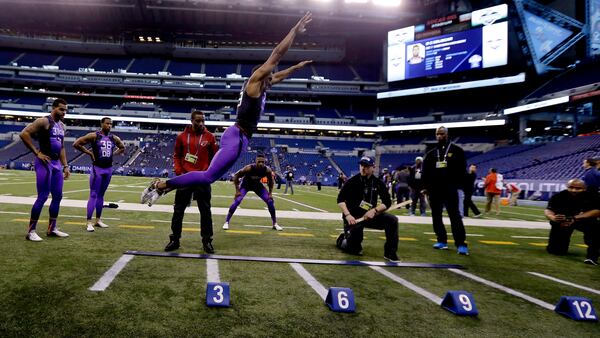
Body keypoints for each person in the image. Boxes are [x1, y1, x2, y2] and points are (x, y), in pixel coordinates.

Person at [141, 12, 313, 205]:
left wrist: (296, 68)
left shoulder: (262, 85)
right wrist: (294, 31)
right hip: (237, 137)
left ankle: (165, 187)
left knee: (209, 177)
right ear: (261, 74)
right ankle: (161, 185)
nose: (272, 77)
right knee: (207, 177)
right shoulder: (254, 83)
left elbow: (279, 75)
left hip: (238, 137)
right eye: (268, 74)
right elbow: (276, 55)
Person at [164, 111, 218, 253]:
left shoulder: (210, 137)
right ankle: (175, 240)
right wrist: (179, 172)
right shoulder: (181, 137)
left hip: (202, 178)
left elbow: (215, 157)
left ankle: (207, 241)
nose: (201, 124)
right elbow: (176, 156)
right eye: (198, 121)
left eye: (203, 121)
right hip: (185, 178)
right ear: (192, 121)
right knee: (178, 210)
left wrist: (209, 173)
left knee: (205, 211)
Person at [19, 98, 70, 241]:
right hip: (44, 162)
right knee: (42, 196)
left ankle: (52, 228)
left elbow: (62, 147)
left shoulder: (62, 126)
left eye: (65, 110)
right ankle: (31, 231)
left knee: (58, 196)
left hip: (56, 164)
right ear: (53, 108)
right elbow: (24, 134)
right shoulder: (44, 121)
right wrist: (37, 152)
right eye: (61, 109)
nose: (63, 112)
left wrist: (65, 165)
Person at [336, 156, 399, 262]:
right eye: (361, 166)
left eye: (366, 166)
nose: (363, 168)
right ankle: (342, 239)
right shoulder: (351, 181)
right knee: (354, 250)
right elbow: (340, 200)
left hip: (370, 216)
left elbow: (387, 202)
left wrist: (375, 210)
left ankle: (390, 253)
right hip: (353, 218)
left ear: (373, 168)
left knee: (392, 220)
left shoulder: (378, 183)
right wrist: (347, 215)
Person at [421, 126, 469, 255]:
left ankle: (461, 243)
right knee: (436, 216)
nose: (439, 136)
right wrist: (426, 187)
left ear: (447, 135)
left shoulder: (457, 151)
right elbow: (425, 173)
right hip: (434, 191)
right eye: (437, 134)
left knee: (455, 216)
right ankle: (442, 240)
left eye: (441, 134)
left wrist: (456, 184)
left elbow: (462, 170)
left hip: (450, 190)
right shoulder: (431, 153)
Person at [73, 117, 125, 232]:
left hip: (108, 169)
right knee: (93, 195)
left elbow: (122, 147)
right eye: (107, 124)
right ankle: (88, 222)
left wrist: (113, 154)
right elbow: (76, 144)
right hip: (97, 169)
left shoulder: (114, 138)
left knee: (101, 195)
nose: (109, 126)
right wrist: (89, 153)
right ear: (101, 124)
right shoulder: (94, 136)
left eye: (111, 124)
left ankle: (98, 220)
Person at [544, 179, 600, 265]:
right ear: (567, 187)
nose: (574, 190)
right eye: (571, 187)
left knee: (595, 229)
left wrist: (574, 218)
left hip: (583, 220)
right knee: (555, 251)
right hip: (563, 221)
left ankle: (592, 257)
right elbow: (548, 210)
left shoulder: (593, 196)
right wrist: (553, 217)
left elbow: (597, 211)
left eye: (578, 188)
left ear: (584, 188)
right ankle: (558, 247)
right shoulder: (559, 196)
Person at [223, 153, 282, 231]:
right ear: (255, 161)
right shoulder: (249, 168)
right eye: (259, 161)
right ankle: (226, 222)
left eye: (262, 162)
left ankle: (275, 223)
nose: (261, 163)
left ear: (265, 162)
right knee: (237, 201)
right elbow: (236, 176)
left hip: (257, 186)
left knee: (270, 201)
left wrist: (270, 193)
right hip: (245, 185)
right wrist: (237, 190)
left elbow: (271, 181)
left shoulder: (267, 170)